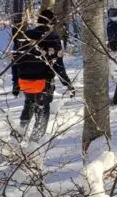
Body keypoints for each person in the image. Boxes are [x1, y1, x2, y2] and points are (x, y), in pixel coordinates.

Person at [11, 9, 73, 140]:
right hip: (43, 82)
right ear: (52, 22)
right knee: (42, 109)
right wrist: (67, 83)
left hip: (24, 81)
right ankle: (35, 143)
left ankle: (18, 134)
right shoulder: (52, 37)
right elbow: (58, 64)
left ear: (39, 20)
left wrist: (15, 83)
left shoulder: (24, 35)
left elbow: (15, 61)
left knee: (29, 104)